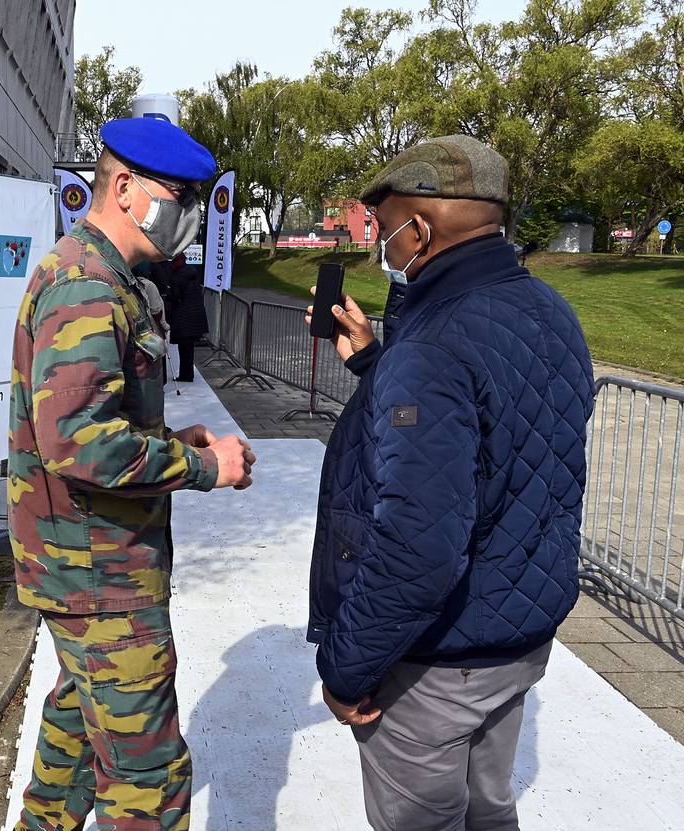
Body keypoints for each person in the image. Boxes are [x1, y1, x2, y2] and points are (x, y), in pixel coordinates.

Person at [304, 135, 594, 830]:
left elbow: (417, 545)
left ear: (420, 228)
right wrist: (379, 361)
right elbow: (488, 439)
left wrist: (346, 669)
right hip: (516, 638)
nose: (380, 243)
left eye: (382, 227)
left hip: (437, 662)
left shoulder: (436, 344)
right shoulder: (547, 310)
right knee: (490, 809)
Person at [9, 116, 256, 831]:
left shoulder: (97, 275)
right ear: (123, 187)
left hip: (87, 566)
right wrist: (206, 466)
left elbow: (91, 422)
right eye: (178, 195)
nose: (186, 215)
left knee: (77, 734)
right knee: (148, 772)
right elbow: (81, 442)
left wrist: (168, 437)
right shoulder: (87, 284)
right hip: (100, 576)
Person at [166, 252, 207, 382]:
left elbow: (176, 296)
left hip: (183, 315)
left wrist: (168, 297)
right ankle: (187, 373)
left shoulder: (177, 276)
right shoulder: (192, 273)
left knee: (183, 347)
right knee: (188, 347)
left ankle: (185, 375)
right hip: (195, 314)